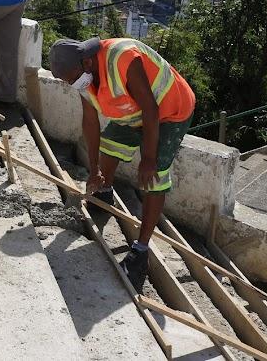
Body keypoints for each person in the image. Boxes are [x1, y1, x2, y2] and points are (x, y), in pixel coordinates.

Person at [48, 36, 196, 290]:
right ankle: (104, 194)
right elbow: (90, 122)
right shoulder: (84, 77)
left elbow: (151, 109)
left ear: (87, 62)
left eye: (72, 78)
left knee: (155, 177)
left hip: (170, 111)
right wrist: (93, 170)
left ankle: (141, 250)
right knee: (110, 146)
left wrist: (148, 159)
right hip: (132, 112)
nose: (73, 84)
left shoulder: (123, 58)